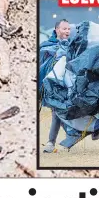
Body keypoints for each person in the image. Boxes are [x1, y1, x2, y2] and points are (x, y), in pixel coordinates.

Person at [39, 19, 72, 152]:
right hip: (52, 84)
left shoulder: (72, 45)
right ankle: (55, 142)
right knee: (56, 112)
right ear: (57, 29)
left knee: (62, 111)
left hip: (67, 83)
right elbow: (42, 64)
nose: (67, 31)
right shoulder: (47, 45)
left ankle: (58, 141)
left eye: (69, 29)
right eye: (64, 29)